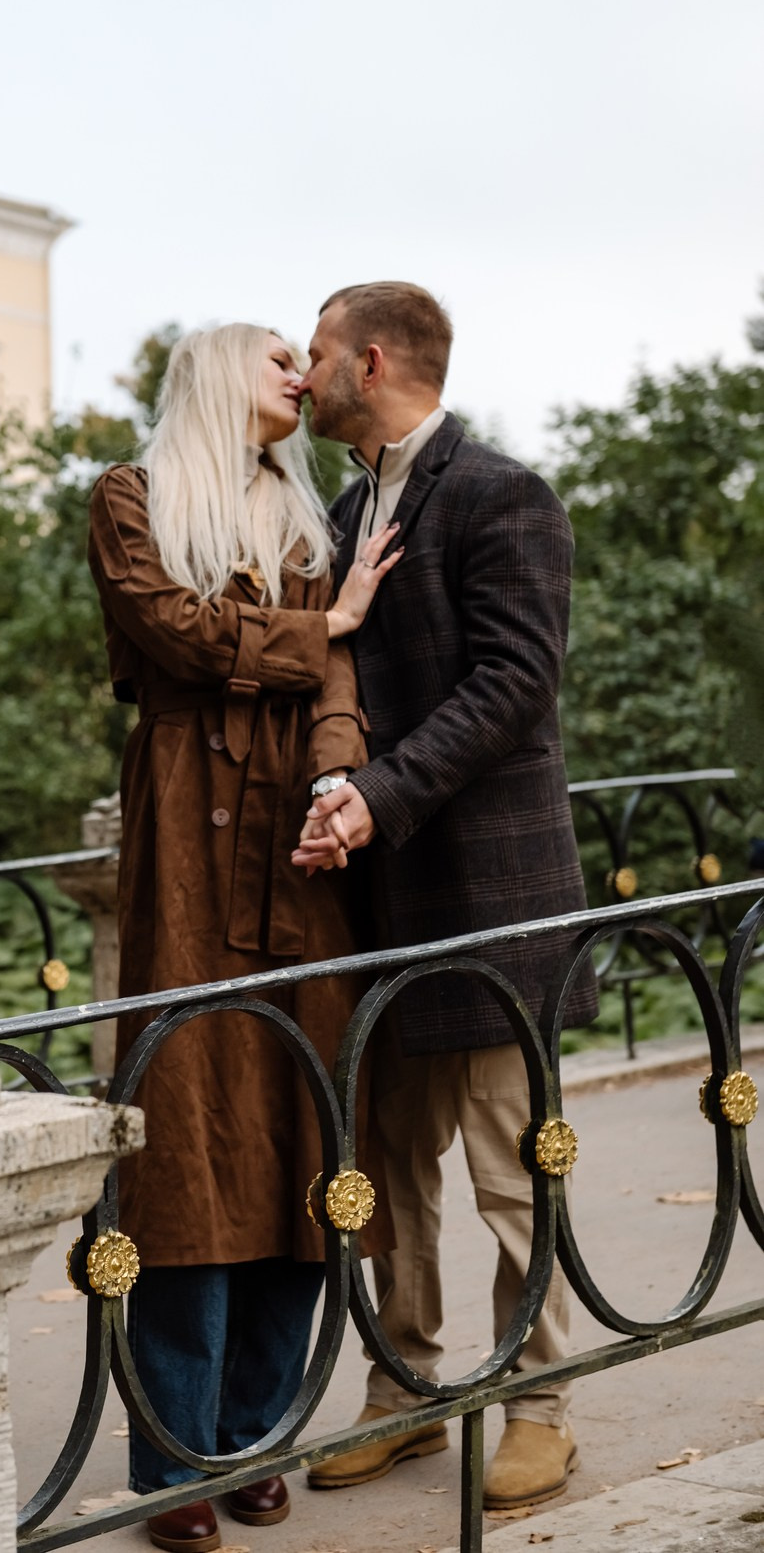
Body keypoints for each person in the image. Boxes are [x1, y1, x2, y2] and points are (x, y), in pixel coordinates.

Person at [87, 322, 400, 1553]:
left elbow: (339, 688)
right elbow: (174, 631)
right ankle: (177, 1461)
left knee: (297, 1139)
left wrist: (337, 789)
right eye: (279, 356)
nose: (302, 374)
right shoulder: (131, 495)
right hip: (183, 830)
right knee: (187, 1146)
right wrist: (323, 628)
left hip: (298, 844)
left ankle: (256, 1435)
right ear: (221, 373)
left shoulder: (308, 518)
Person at [292, 281, 598, 1513]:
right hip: (382, 898)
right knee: (390, 1168)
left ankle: (541, 1407)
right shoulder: (346, 501)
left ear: (370, 362)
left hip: (491, 886)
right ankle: (404, 1391)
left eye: (314, 351)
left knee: (510, 1170)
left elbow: (517, 679)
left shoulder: (500, 492)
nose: (303, 371)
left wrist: (381, 791)